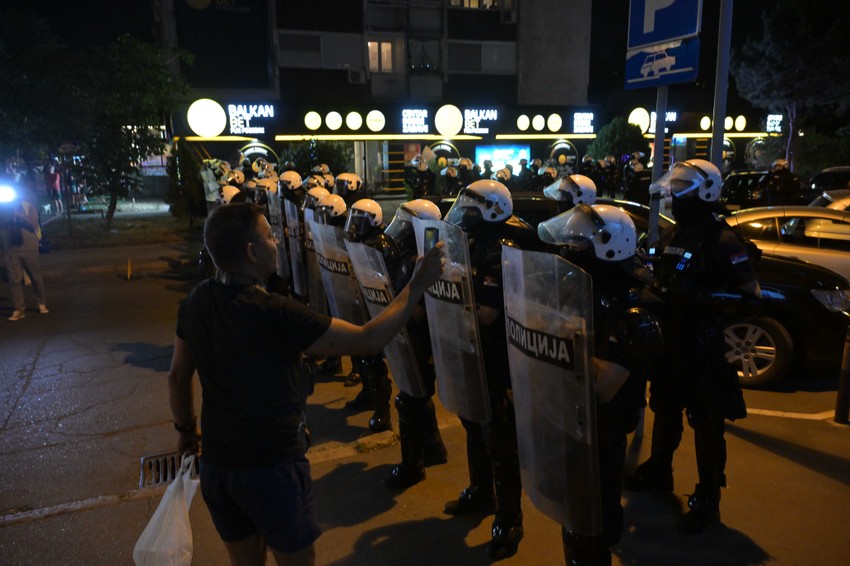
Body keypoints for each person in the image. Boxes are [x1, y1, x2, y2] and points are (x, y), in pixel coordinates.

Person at [167, 203, 443, 566]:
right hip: (272, 467)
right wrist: (417, 284)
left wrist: (186, 431)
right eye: (269, 236)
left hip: (218, 466)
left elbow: (177, 376)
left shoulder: (197, 300)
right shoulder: (277, 314)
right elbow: (368, 339)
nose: (277, 241)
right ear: (251, 252)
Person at [624, 159, 761, 534]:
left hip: (702, 344)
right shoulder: (677, 232)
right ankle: (659, 470)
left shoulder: (723, 240)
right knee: (665, 407)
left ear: (706, 192)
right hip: (670, 340)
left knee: (706, 421)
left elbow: (751, 298)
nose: (674, 195)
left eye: (682, 188)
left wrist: (700, 296)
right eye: (675, 187)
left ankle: (707, 498)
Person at [538, 203, 663, 566]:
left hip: (602, 426)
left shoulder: (634, 309)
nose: (568, 250)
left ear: (608, 245)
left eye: (576, 243)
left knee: (591, 518)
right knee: (572, 512)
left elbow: (604, 386)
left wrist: (558, 337)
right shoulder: (584, 286)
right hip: (569, 413)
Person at [441, 179, 536, 560]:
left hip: (500, 362)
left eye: (471, 209)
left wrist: (445, 296)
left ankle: (509, 520)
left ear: (492, 212)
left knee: (500, 440)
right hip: (475, 354)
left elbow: (487, 314)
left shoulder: (502, 252)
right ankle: (481, 491)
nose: (464, 215)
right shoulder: (475, 244)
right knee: (472, 422)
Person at [375, 199, 449, 488]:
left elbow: (416, 312)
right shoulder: (418, 257)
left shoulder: (418, 261)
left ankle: (412, 466)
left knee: (409, 400)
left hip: (421, 340)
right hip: (420, 341)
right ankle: (434, 448)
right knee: (419, 396)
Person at [3, 184, 48, 321]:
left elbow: (34, 224)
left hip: (29, 247)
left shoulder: (29, 207)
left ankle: (41, 303)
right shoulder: (4, 209)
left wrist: (20, 216)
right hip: (11, 248)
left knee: (35, 277)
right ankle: (19, 309)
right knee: (14, 279)